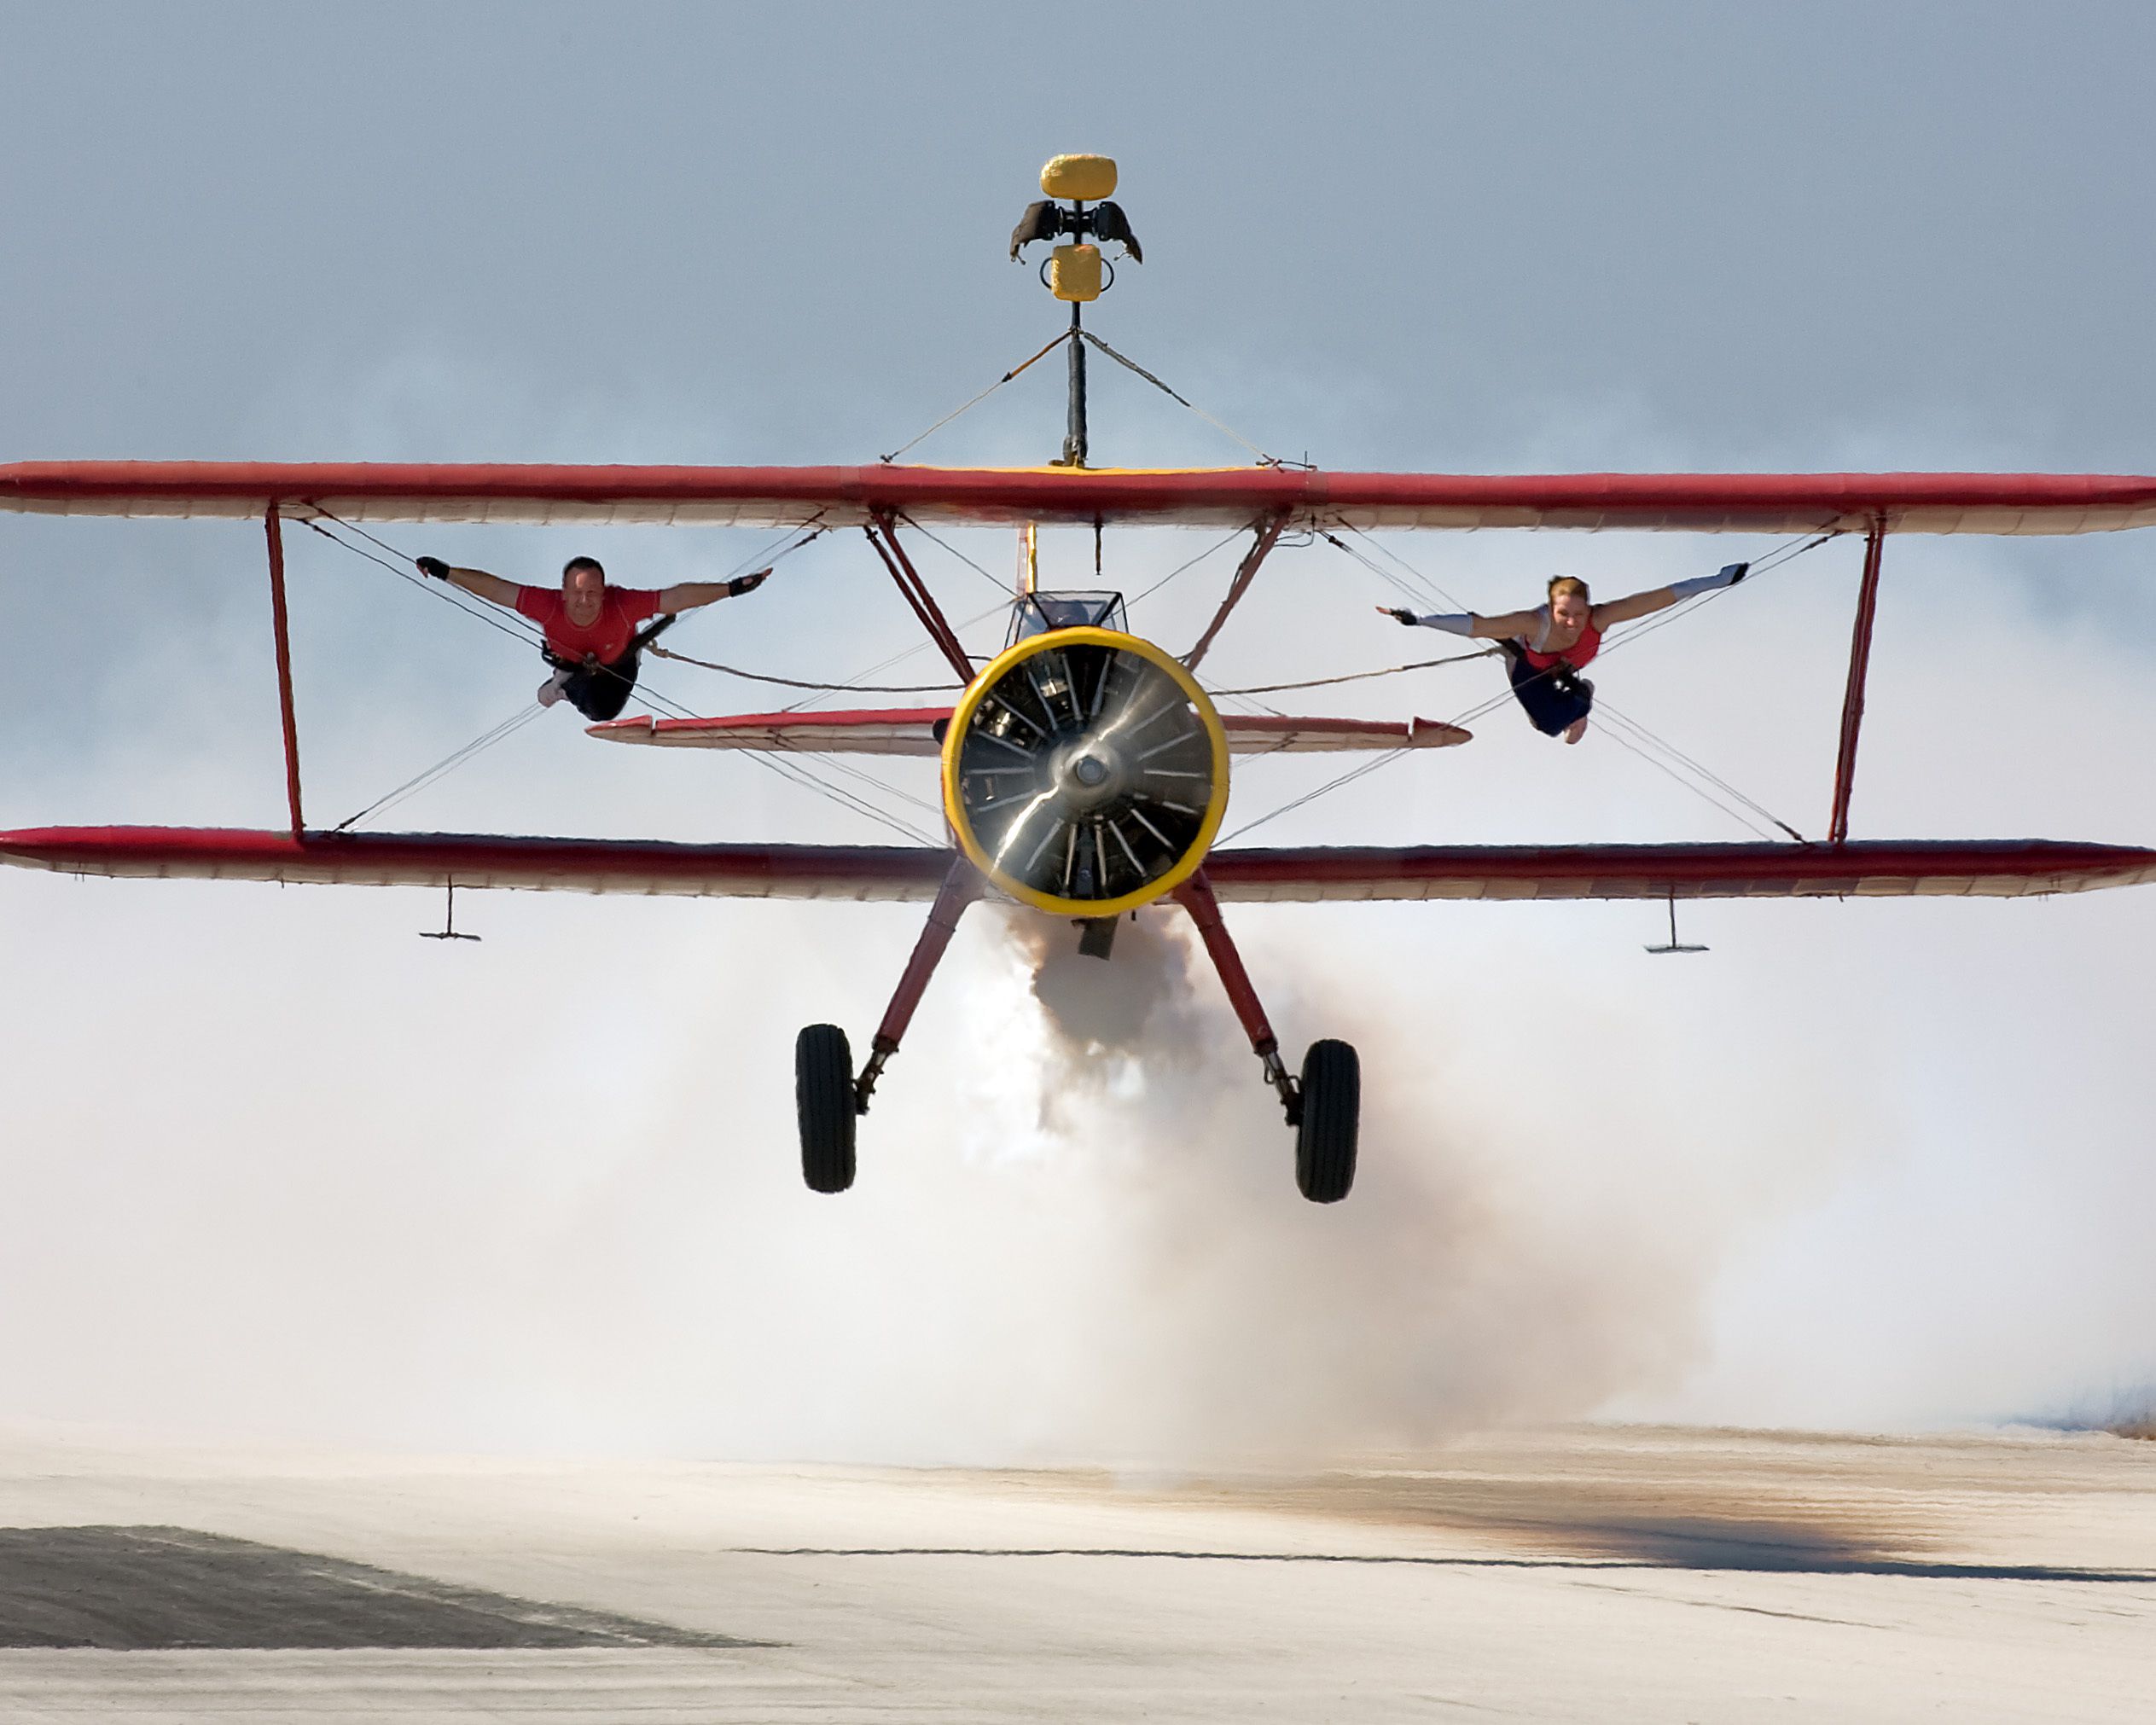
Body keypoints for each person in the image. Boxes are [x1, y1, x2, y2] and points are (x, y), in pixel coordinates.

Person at [1377, 564, 1747, 744]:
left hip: (1566, 671)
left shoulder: (1600, 618)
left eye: (1579, 615)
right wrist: (1420, 620)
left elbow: (1662, 597)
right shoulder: (1531, 623)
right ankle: (1573, 706)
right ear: (1551, 608)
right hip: (1528, 669)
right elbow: (1478, 626)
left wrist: (1719, 580)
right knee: (1548, 727)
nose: (1572, 623)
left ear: (1589, 610)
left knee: (1558, 719)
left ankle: (1583, 695)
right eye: (1564, 615)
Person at [414, 554, 770, 721]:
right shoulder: (546, 604)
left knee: (605, 709)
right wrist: (448, 572)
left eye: (593, 594)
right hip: (573, 668)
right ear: (564, 593)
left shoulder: (623, 604)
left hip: (619, 665)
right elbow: (495, 588)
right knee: (587, 696)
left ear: (604, 592)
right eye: (577, 595)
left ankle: (571, 682)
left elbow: (676, 597)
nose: (585, 603)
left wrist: (732, 589)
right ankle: (562, 685)